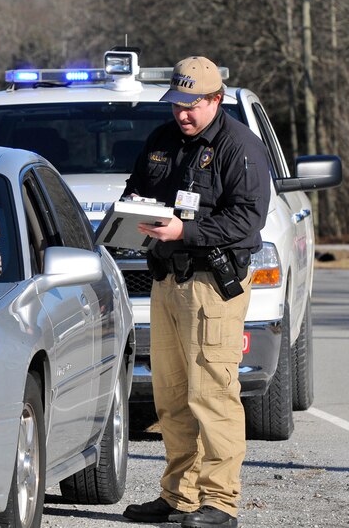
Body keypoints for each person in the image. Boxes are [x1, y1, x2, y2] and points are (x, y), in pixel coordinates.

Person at [121, 56, 271, 528]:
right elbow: (137, 188)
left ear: (216, 99)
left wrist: (183, 230)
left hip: (211, 284)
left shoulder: (239, 146)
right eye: (177, 105)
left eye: (192, 105)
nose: (182, 114)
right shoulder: (162, 140)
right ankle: (179, 496)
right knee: (171, 395)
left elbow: (249, 219)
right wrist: (129, 217)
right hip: (166, 281)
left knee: (212, 394)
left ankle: (220, 502)